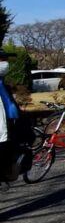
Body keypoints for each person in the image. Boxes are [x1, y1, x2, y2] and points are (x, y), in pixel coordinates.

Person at [0, 48, 21, 180]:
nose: (5, 63)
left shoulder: (2, 82)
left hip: (8, 124)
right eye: (2, 60)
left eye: (5, 60)